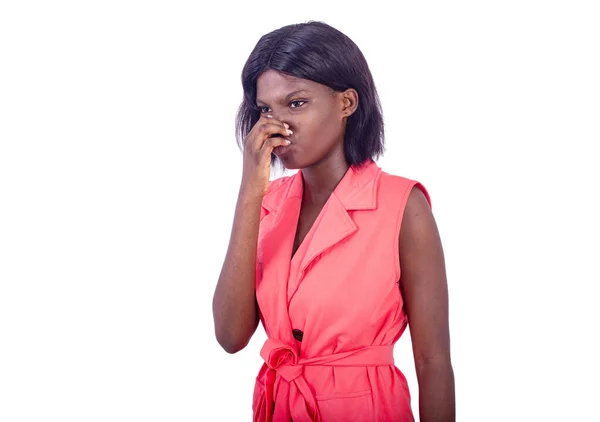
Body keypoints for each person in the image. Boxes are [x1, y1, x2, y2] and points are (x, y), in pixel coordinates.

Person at [212, 21, 455, 422]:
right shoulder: (267, 205)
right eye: (265, 109)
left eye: (296, 103)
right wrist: (250, 192)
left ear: (347, 103)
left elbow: (433, 361)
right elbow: (230, 336)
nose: (279, 126)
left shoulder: (403, 206)